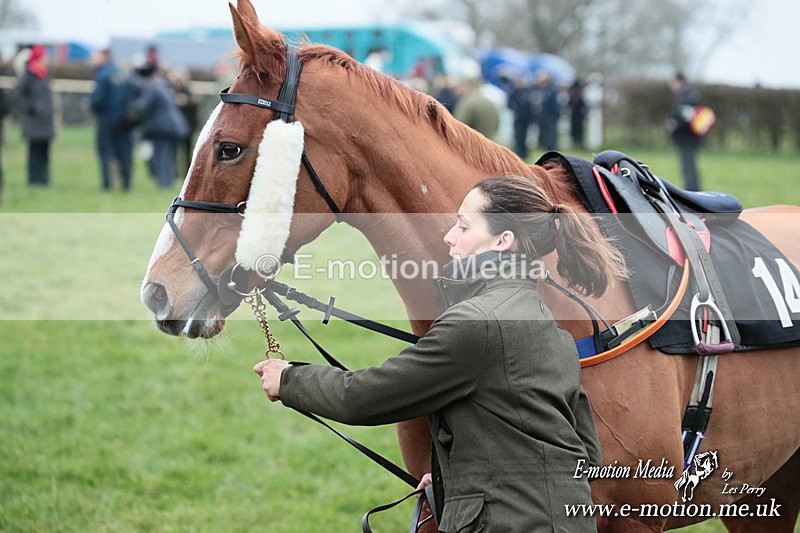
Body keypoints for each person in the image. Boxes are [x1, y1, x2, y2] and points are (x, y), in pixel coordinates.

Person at [254, 176, 628, 531]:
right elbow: (582, 452)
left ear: (503, 241)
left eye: (464, 226)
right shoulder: (549, 327)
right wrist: (460, 481)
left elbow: (363, 396)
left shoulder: (476, 323)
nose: (450, 237)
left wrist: (288, 379)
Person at [131, 62, 188, 189]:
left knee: (161, 155)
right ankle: (168, 182)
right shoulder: (161, 84)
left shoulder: (151, 86)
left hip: (162, 127)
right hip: (174, 125)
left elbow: (142, 105)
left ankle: (163, 184)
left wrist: (130, 109)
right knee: (169, 156)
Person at [89, 48, 135, 191]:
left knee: (105, 152)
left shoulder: (103, 74)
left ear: (104, 57)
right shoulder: (121, 73)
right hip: (124, 120)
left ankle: (107, 184)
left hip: (106, 119)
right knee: (124, 152)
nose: (92, 59)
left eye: (95, 56)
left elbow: (97, 100)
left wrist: (91, 106)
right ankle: (126, 184)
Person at [15, 44, 55, 186]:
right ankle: (34, 180)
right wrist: (32, 107)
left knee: (44, 152)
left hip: (45, 120)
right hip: (34, 120)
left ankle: (44, 179)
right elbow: (19, 95)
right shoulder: (28, 74)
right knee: (34, 152)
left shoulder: (45, 73)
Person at [667, 72, 702, 191]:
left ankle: (692, 189)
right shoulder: (690, 95)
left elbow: (685, 117)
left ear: (679, 81)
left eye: (673, 82)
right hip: (690, 136)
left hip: (686, 137)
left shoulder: (684, 97)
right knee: (689, 164)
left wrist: (674, 124)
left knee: (688, 165)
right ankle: (692, 188)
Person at [169, 67, 199, 175]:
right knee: (174, 151)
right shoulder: (172, 90)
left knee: (187, 151)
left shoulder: (188, 90)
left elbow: (194, 104)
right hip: (176, 126)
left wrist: (186, 101)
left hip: (188, 125)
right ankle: (175, 172)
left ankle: (187, 171)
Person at [531, 70, 560, 151]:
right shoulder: (538, 89)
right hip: (542, 117)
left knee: (551, 136)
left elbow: (554, 105)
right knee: (543, 136)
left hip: (550, 117)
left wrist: (554, 115)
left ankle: (552, 151)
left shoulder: (551, 89)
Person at [507, 75, 534, 159]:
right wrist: (513, 110)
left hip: (526, 119)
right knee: (517, 136)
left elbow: (530, 106)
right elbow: (509, 104)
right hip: (518, 119)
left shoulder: (527, 92)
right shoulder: (514, 92)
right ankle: (518, 153)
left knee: (524, 136)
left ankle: (524, 153)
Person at [568, 79, 587, 149]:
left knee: (576, 131)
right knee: (578, 131)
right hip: (578, 116)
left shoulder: (573, 94)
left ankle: (577, 144)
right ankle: (578, 144)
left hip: (575, 116)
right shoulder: (579, 94)